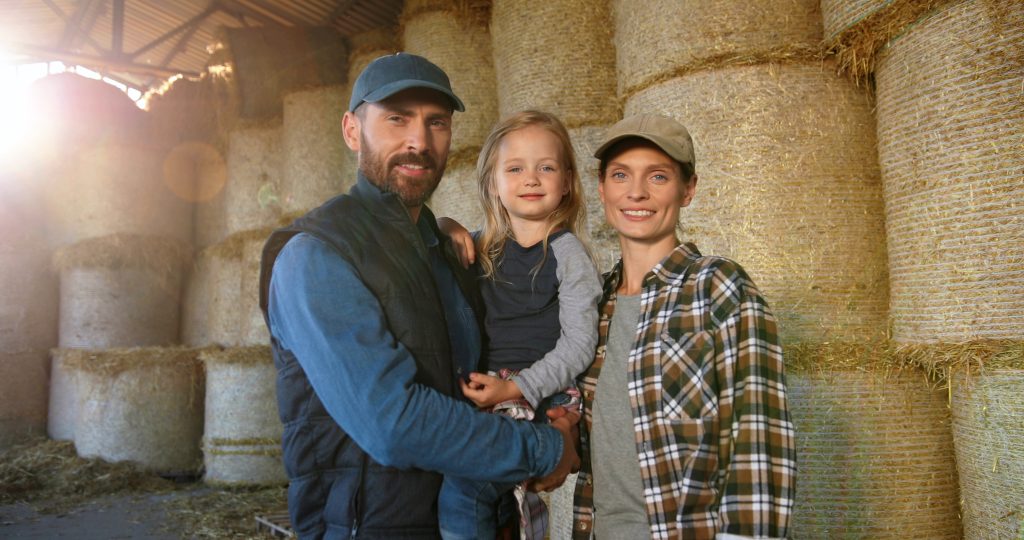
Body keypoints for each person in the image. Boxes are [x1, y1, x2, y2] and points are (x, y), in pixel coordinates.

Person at [258, 53, 580, 539]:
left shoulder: (450, 251)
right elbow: (393, 423)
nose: (419, 142)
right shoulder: (316, 257)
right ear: (351, 131)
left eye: (437, 123)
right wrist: (545, 448)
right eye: (396, 119)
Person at [570, 114, 797, 539]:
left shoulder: (718, 286)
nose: (636, 192)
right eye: (621, 175)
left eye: (657, 176)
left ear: (688, 190)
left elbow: (759, 438)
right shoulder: (592, 303)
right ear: (602, 188)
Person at [435, 111, 602, 540]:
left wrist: (517, 388)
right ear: (492, 182)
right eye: (515, 168)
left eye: (545, 167)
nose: (531, 178)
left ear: (566, 181)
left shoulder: (568, 255)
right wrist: (442, 225)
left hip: (540, 396)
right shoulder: (481, 246)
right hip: (492, 392)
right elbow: (429, 254)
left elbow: (580, 344)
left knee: (466, 491)